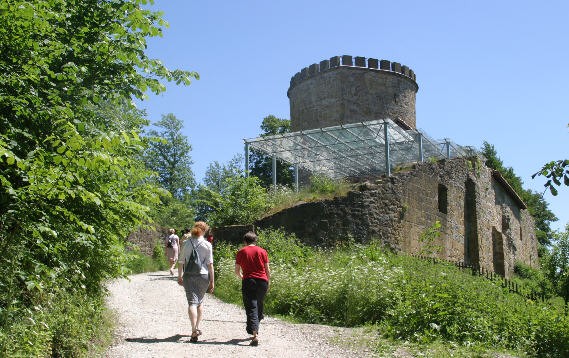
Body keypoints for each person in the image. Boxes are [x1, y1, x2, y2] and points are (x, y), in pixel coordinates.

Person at [177, 221, 214, 343]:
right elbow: (210, 265)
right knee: (200, 301)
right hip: (203, 275)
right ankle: (197, 327)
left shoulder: (186, 243)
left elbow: (181, 261)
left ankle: (193, 329)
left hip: (189, 275)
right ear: (204, 230)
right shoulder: (207, 244)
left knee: (192, 302)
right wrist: (212, 281)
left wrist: (179, 276)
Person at [234, 231, 270, 346]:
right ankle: (255, 325)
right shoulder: (263, 251)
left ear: (245, 241)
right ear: (255, 240)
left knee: (251, 306)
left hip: (249, 281)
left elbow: (237, 271)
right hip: (262, 281)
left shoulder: (241, 251)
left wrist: (243, 277)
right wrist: (268, 281)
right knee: (259, 304)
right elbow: (267, 269)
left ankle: (254, 334)